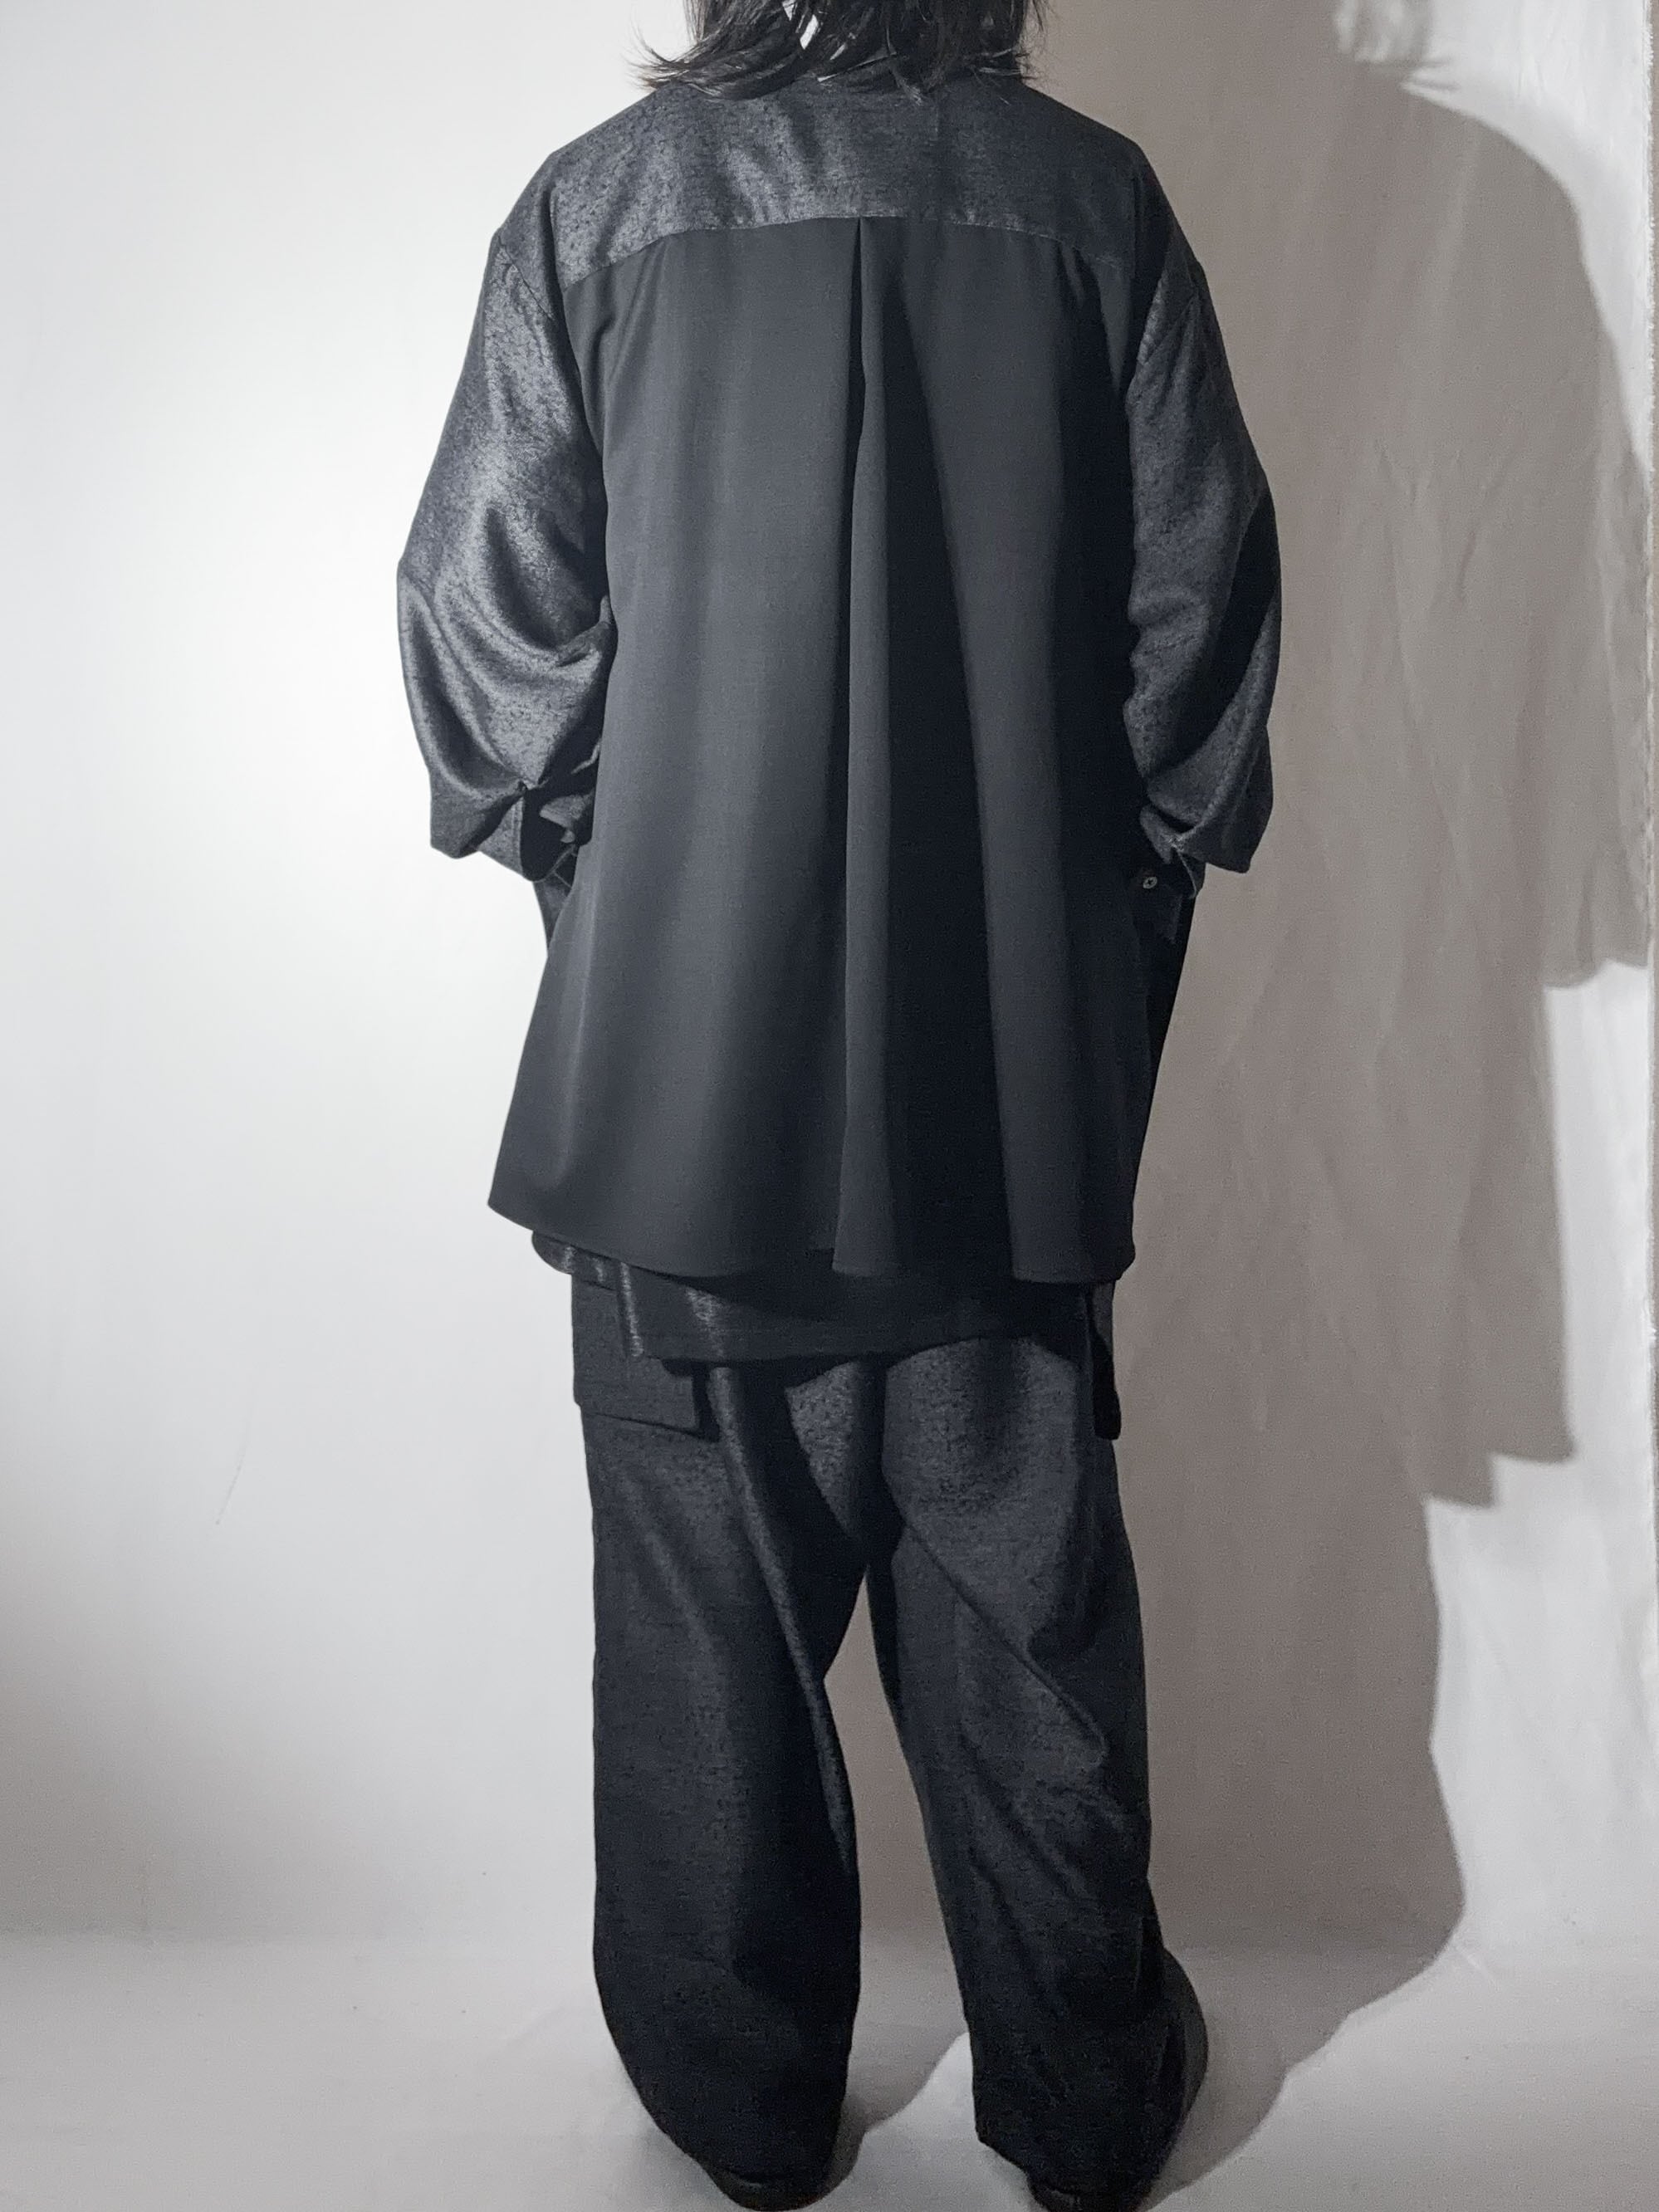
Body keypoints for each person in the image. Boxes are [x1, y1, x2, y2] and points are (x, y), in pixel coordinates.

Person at [394, 2, 1280, 2206]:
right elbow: (1198, 644)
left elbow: (484, 633)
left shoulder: (598, 208)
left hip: (681, 1103)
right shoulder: (1094, 205)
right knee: (1024, 1613)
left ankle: (740, 2115)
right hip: (1006, 1091)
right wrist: (1063, 925)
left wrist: (648, 875)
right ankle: (1084, 2107)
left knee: (702, 1633)